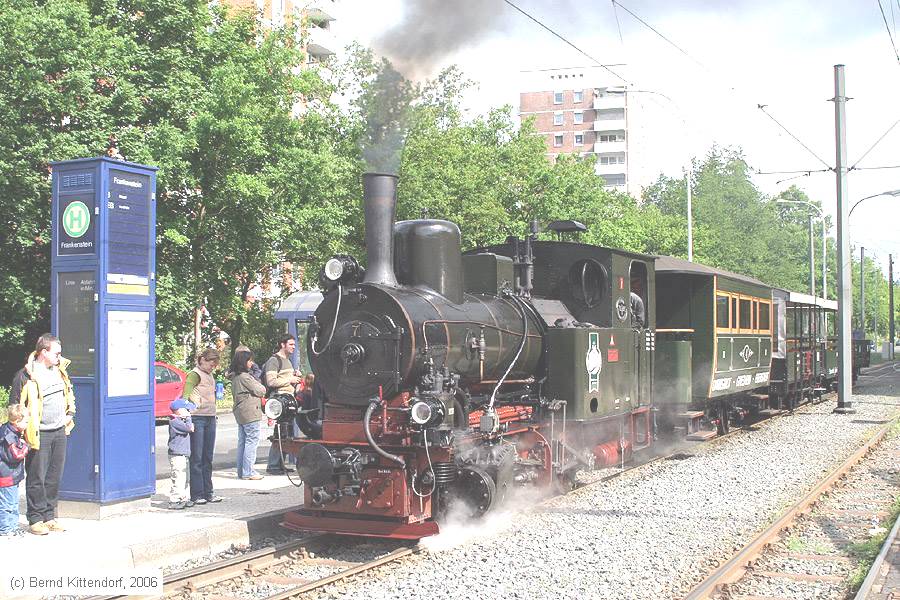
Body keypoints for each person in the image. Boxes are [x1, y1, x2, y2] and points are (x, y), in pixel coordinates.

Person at [10, 333, 75, 535]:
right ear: (43, 352)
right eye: (56, 352)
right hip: (39, 433)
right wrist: (21, 429)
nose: (59, 356)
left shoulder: (60, 371)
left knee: (54, 476)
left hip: (59, 430)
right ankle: (35, 518)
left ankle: (49, 516)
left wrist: (70, 414)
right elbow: (15, 406)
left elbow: (69, 394)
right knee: (37, 476)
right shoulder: (26, 375)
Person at [183, 348, 222, 505]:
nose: (212, 367)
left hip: (210, 417)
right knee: (197, 458)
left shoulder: (209, 374)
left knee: (207, 457)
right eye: (211, 364)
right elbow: (185, 396)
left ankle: (208, 492)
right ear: (202, 360)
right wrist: (186, 413)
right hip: (197, 417)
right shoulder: (194, 374)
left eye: (214, 365)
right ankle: (197, 494)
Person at [263, 334, 302, 475]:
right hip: (279, 401)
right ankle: (273, 465)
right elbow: (271, 381)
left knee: (285, 433)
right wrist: (290, 379)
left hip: (288, 400)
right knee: (279, 433)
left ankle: (280, 464)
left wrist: (295, 380)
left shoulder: (288, 361)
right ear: (282, 344)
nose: (293, 347)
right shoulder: (274, 361)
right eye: (291, 344)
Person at [231, 349, 266, 480]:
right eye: (250, 360)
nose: (251, 363)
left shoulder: (235, 377)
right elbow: (260, 390)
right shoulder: (245, 377)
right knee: (252, 441)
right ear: (243, 362)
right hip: (250, 412)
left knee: (243, 442)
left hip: (240, 412)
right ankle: (249, 471)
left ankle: (242, 471)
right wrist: (258, 384)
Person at [0, 404, 29, 536]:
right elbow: (15, 455)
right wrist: (26, 446)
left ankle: (13, 526)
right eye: (26, 421)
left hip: (12, 475)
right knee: (7, 504)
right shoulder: (8, 436)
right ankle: (6, 528)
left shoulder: (12, 431)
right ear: (17, 421)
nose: (28, 424)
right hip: (6, 476)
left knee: (14, 502)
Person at [167, 399, 196, 510]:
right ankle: (174, 500)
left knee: (185, 477)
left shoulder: (180, 421)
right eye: (186, 409)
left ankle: (184, 498)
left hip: (184, 454)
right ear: (179, 411)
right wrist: (188, 418)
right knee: (178, 477)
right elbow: (190, 428)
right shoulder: (174, 421)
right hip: (177, 454)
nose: (189, 411)